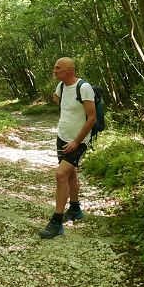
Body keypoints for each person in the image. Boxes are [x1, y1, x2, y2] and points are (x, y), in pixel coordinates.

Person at [39, 57, 96, 239]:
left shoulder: (84, 88)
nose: (54, 71)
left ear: (69, 70)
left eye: (58, 68)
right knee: (71, 174)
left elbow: (92, 118)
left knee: (61, 174)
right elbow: (59, 101)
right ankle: (75, 208)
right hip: (62, 137)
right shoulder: (62, 86)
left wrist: (77, 141)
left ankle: (56, 222)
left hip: (78, 141)